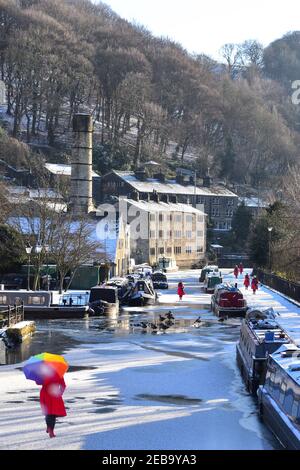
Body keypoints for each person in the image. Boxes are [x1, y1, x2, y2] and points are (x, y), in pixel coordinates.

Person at [39, 373, 67, 438]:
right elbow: (63, 385)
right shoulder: (59, 373)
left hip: (45, 394)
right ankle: (51, 430)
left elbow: (38, 383)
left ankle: (49, 427)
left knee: (48, 412)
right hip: (55, 393)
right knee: (53, 413)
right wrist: (60, 392)